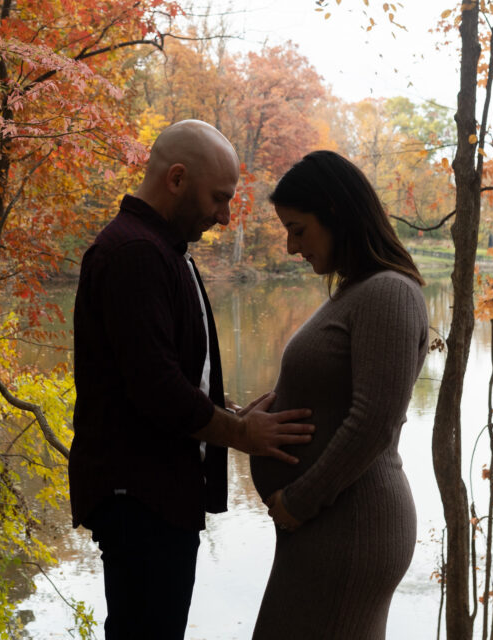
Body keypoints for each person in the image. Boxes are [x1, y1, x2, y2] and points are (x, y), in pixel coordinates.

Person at [68, 120, 314, 640]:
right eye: (219, 198)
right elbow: (155, 386)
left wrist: (231, 414)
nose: (225, 217)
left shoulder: (161, 249)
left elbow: (174, 370)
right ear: (176, 179)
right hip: (139, 498)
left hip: (156, 494)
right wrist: (241, 434)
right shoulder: (135, 253)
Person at [250, 150, 429, 640]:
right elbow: (326, 399)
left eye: (298, 229)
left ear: (335, 211)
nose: (290, 247)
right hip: (325, 525)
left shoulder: (389, 292)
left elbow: (374, 420)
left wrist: (300, 501)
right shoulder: (358, 292)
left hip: (350, 524)